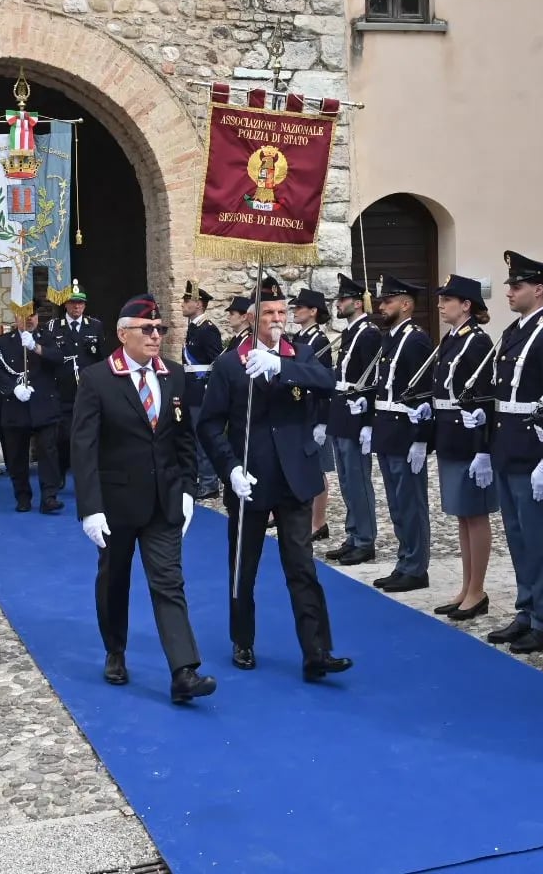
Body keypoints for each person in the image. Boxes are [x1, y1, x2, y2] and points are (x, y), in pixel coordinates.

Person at [198, 277, 352, 681]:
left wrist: (282, 366)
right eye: (269, 313)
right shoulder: (231, 363)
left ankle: (317, 650)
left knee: (301, 566)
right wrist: (229, 469)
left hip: (294, 478)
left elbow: (326, 382)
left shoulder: (299, 354)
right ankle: (242, 639)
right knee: (243, 565)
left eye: (283, 312)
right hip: (250, 477)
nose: (278, 319)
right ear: (252, 318)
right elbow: (211, 424)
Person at [70, 293, 217, 705]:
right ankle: (115, 650)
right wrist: (90, 508)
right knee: (114, 581)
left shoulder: (173, 374)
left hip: (164, 499)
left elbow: (183, 438)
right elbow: (83, 447)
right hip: (116, 503)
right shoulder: (98, 378)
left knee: (169, 582)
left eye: (160, 329)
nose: (156, 336)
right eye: (147, 329)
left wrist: (188, 491)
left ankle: (183, 671)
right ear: (123, 334)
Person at [482, 252, 543, 654]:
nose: (509, 291)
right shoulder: (514, 332)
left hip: (533, 451)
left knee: (539, 537)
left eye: (516, 285)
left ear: (538, 290)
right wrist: (487, 447)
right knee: (518, 537)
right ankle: (526, 609)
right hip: (508, 447)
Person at [428, 274, 497, 622]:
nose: (441, 304)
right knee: (461, 515)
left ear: (466, 305)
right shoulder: (452, 340)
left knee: (475, 513)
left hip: (469, 438)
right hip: (449, 435)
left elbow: (483, 397)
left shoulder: (477, 342)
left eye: (447, 299)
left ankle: (477, 589)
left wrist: (483, 448)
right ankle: (467, 586)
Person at [360, 275, 434, 593]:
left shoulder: (416, 339)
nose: (381, 305)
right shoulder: (391, 336)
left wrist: (420, 438)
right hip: (388, 430)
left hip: (405, 431)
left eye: (388, 301)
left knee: (411, 502)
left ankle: (416, 567)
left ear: (405, 304)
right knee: (396, 502)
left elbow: (424, 393)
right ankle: (405, 561)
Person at [323, 275, 381, 566]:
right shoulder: (350, 332)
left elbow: (373, 380)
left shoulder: (368, 332)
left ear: (358, 303)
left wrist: (369, 420)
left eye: (343, 300)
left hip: (356, 415)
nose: (338, 304)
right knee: (346, 480)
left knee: (358, 479)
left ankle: (365, 539)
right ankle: (353, 533)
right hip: (342, 412)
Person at [0, 309, 64, 513]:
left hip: (43, 405)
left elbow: (59, 359)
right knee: (16, 456)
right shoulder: (4, 342)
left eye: (33, 315)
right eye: (24, 314)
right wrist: (13, 388)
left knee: (48, 452)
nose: (29, 319)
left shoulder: (47, 337)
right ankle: (22, 496)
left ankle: (49, 497)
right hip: (16, 405)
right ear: (16, 317)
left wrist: (36, 347)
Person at [289, 287, 335, 543]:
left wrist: (322, 421)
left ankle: (318, 522)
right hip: (301, 409)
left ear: (313, 311)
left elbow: (323, 383)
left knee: (318, 468)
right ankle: (308, 519)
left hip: (315, 411)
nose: (295, 311)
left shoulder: (319, 341)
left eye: (300, 307)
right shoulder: (300, 337)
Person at [50, 281, 106, 480]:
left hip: (87, 390)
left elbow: (101, 358)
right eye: (73, 303)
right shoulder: (54, 327)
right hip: (62, 390)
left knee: (88, 435)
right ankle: (60, 473)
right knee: (62, 437)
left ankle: (87, 476)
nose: (76, 307)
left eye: (80, 303)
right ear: (65, 304)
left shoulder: (95, 326)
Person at [181, 280, 225, 501]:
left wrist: (210, 387)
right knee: (194, 438)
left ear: (199, 304)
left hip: (202, 390)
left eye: (187, 300)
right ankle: (201, 478)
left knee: (203, 438)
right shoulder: (194, 328)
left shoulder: (208, 330)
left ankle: (209, 483)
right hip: (192, 390)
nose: (182, 303)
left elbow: (218, 362)